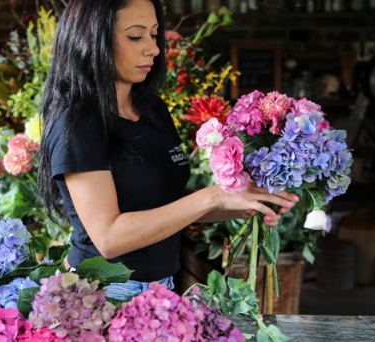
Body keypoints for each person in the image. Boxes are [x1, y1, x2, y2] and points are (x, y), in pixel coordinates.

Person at [36, 0, 298, 300]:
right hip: (104, 296)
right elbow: (109, 237)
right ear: (91, 39)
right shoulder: (78, 123)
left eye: (153, 34)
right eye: (136, 36)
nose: (154, 48)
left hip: (162, 292)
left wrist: (237, 202)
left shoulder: (152, 110)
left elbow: (166, 203)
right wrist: (213, 195)